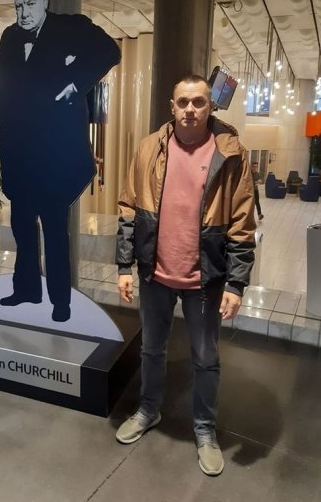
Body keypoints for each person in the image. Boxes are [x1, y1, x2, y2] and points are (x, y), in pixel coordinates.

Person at [115, 75, 256, 476]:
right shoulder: (148, 148)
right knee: (151, 349)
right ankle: (148, 410)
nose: (190, 110)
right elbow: (128, 208)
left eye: (198, 102)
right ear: (171, 106)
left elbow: (242, 222)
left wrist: (236, 283)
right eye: (183, 102)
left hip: (205, 280)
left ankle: (205, 429)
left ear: (210, 106)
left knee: (206, 358)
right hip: (154, 274)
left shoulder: (231, 153)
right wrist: (124, 266)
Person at [0, 0, 120, 322]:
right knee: (22, 227)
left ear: (46, 0)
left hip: (54, 156)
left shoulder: (71, 27)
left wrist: (76, 82)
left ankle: (60, 302)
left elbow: (110, 51)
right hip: (19, 153)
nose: (23, 13)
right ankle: (26, 289)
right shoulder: (10, 37)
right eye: (18, 6)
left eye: (30, 4)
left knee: (55, 230)